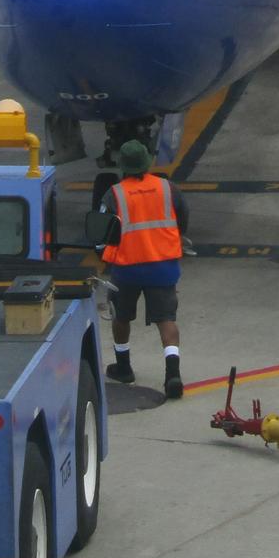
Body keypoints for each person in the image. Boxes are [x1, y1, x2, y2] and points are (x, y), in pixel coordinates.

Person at [97, 139, 190, 399]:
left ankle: (124, 367)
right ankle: (173, 374)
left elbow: (102, 229)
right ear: (147, 163)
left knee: (121, 317)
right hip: (163, 266)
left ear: (123, 166)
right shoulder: (168, 188)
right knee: (167, 320)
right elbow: (182, 219)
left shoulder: (114, 194)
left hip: (127, 268)